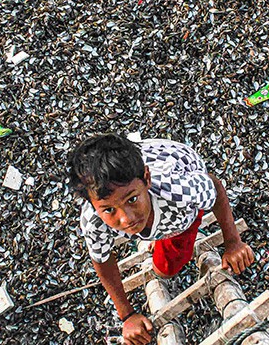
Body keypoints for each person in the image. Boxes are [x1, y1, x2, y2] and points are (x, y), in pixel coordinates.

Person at [67, 133, 255, 345]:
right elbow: (101, 259)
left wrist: (233, 243)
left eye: (132, 199)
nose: (127, 218)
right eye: (109, 210)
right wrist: (127, 316)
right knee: (160, 264)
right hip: (149, 158)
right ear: (92, 205)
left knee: (166, 269)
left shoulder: (179, 193)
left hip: (179, 166)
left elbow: (215, 187)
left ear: (146, 180)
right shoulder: (93, 220)